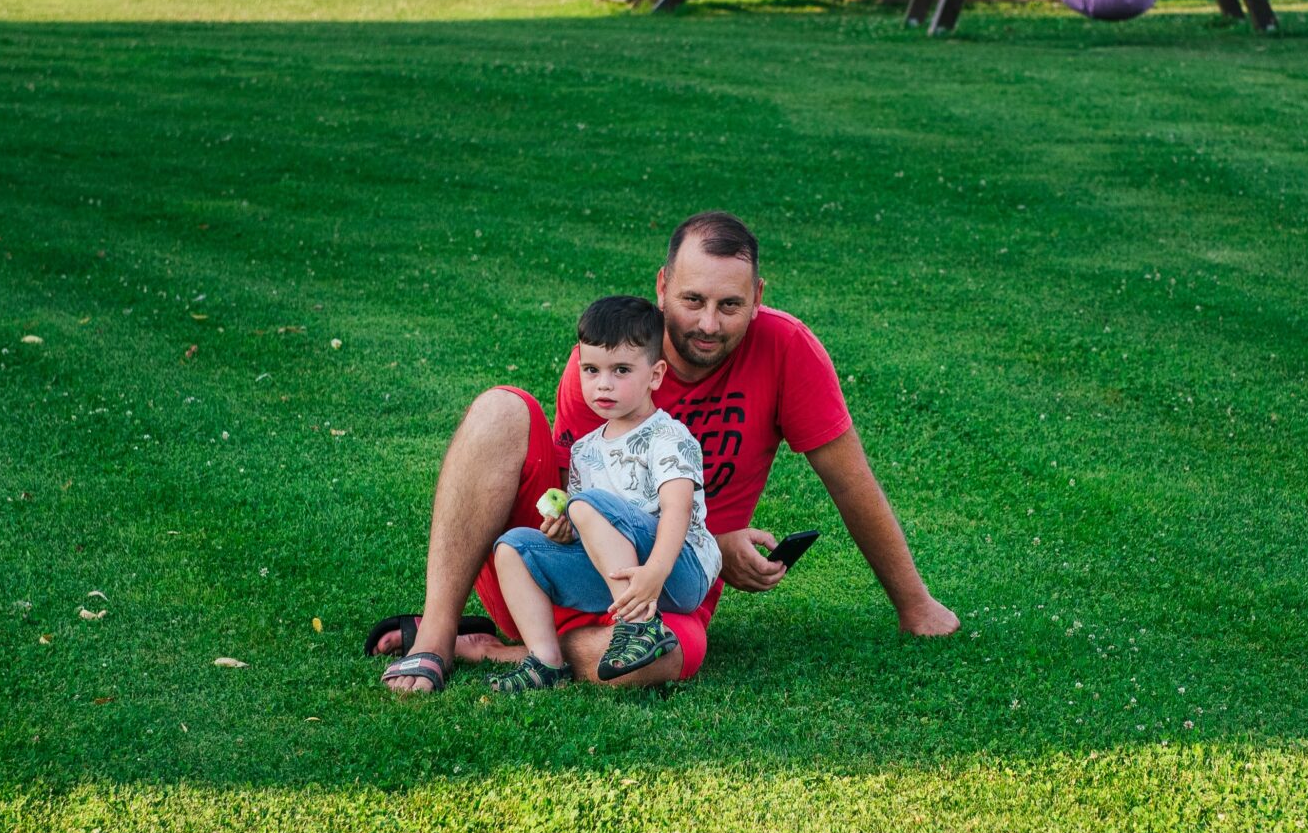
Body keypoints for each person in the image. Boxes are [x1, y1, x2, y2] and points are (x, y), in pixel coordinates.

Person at [376, 210, 958, 693]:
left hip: (672, 591)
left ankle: (515, 653)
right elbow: (585, 493)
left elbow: (851, 483)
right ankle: (437, 638)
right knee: (501, 409)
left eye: (730, 305)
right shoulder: (614, 363)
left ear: (757, 298)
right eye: (692, 300)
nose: (709, 323)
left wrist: (916, 605)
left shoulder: (787, 350)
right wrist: (559, 524)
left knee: (664, 659)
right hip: (572, 565)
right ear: (661, 288)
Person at [485, 295, 721, 693]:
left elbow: (678, 509)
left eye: (621, 370)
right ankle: (545, 662)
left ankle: (640, 629)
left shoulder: (668, 436)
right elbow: (590, 530)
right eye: (591, 370)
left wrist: (655, 573)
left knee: (587, 504)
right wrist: (564, 532)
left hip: (678, 569)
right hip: (619, 578)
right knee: (513, 546)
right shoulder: (585, 450)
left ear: (655, 375)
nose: (603, 384)